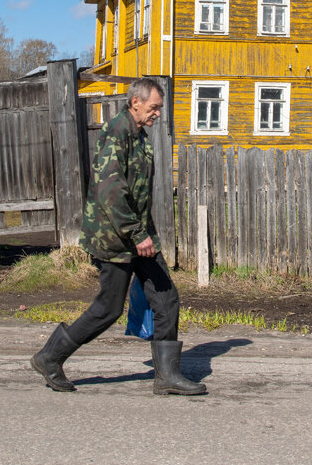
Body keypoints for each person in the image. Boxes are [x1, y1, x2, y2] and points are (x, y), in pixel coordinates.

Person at [31, 77, 206, 396]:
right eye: (154, 107)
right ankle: (50, 357)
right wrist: (137, 234)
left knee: (166, 296)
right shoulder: (117, 132)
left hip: (138, 237)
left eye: (159, 109)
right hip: (114, 239)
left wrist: (145, 233)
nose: (157, 114)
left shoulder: (140, 135)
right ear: (135, 102)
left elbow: (137, 192)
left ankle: (167, 374)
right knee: (108, 309)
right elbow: (111, 191)